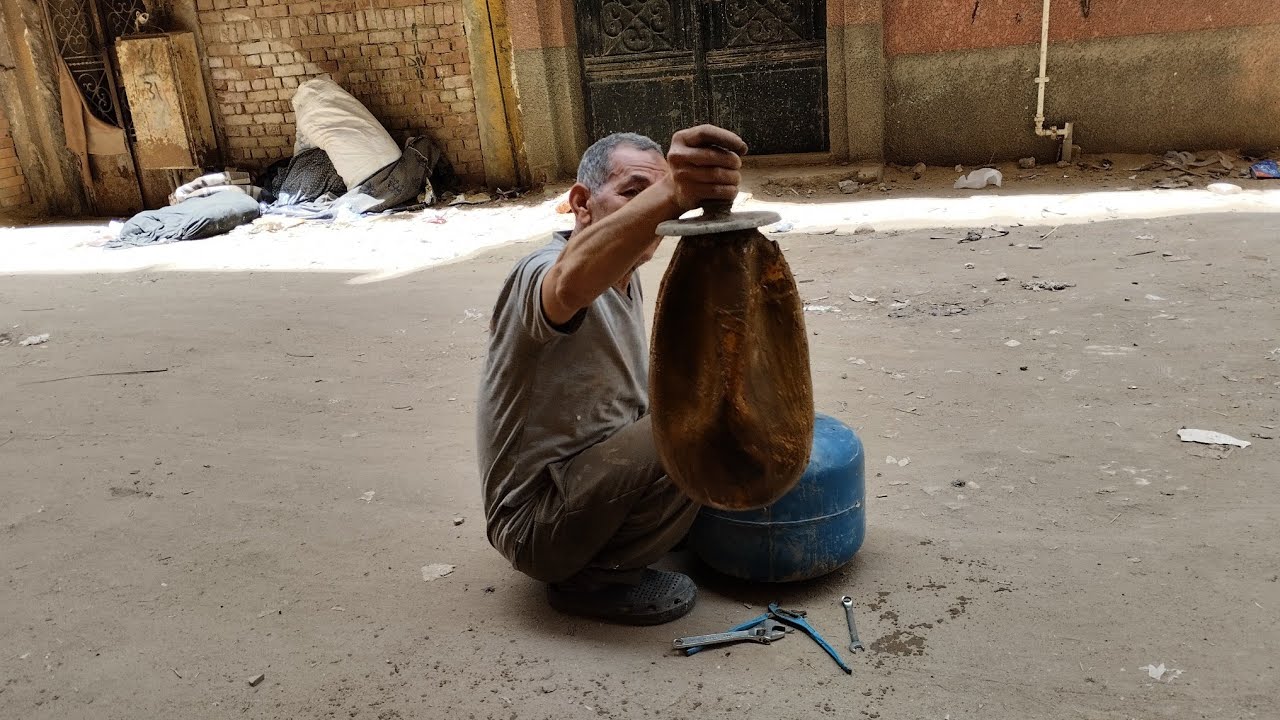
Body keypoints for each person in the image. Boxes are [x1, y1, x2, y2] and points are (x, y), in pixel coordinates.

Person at [476, 125, 748, 625]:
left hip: (582, 487)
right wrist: (671, 192)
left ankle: (636, 525)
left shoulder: (627, 277)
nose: (654, 214)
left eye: (662, 199)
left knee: (709, 403)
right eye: (632, 194)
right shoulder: (543, 271)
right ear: (581, 204)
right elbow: (566, 283)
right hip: (533, 525)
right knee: (696, 425)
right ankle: (595, 579)